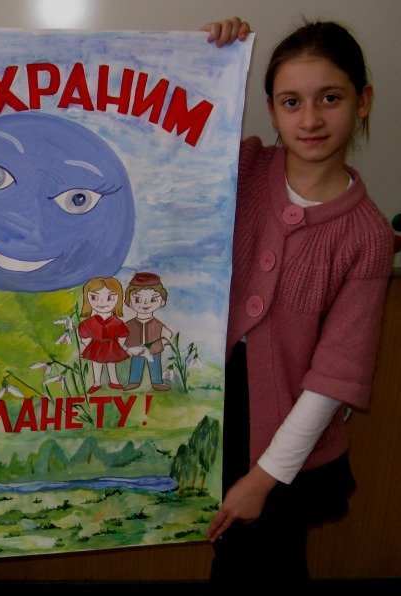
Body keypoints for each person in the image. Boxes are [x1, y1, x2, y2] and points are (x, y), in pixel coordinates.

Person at [199, 17, 396, 587]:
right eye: (292, 102)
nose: (309, 119)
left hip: (288, 444)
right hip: (217, 412)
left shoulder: (367, 236)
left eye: (329, 98)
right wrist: (213, 60)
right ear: (271, 109)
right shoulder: (243, 167)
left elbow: (334, 377)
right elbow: (176, 138)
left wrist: (263, 478)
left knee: (263, 567)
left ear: (363, 102)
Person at [77, 276, 129, 393]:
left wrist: (119, 346)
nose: (102, 302)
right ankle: (97, 383)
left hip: (112, 346)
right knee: (96, 364)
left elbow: (123, 334)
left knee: (111, 363)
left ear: (118, 299)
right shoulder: (89, 322)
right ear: (87, 299)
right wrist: (90, 346)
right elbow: (84, 336)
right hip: (96, 347)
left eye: (110, 297)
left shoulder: (117, 322)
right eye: (94, 297)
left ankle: (114, 381)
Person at [123, 271, 173, 392]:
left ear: (162, 301)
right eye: (138, 299)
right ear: (129, 301)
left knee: (155, 365)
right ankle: (134, 382)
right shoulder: (129, 324)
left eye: (153, 299)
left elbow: (168, 335)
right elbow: (122, 337)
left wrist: (161, 344)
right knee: (136, 364)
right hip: (136, 349)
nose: (145, 304)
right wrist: (126, 349)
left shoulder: (158, 324)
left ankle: (157, 382)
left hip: (154, 350)